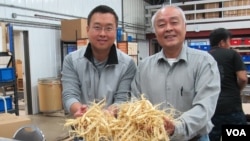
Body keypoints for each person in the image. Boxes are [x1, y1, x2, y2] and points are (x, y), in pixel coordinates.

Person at [131, 5, 221, 141]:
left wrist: (176, 127)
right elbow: (134, 102)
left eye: (174, 22)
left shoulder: (204, 62)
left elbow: (205, 107)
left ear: (185, 27)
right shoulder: (143, 67)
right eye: (161, 25)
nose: (168, 28)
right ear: (155, 32)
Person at [61, 5, 137, 118]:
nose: (102, 33)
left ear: (116, 31)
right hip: (83, 128)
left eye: (108, 28)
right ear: (87, 30)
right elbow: (69, 95)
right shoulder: (71, 60)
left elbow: (123, 99)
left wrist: (108, 113)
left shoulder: (128, 64)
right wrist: (80, 110)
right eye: (97, 27)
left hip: (114, 131)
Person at [208, 28, 248, 141]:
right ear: (222, 42)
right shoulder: (232, 54)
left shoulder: (204, 57)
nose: (230, 45)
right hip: (232, 109)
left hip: (212, 110)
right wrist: (237, 89)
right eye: (228, 41)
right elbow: (243, 78)